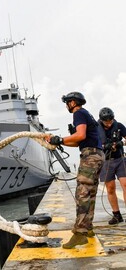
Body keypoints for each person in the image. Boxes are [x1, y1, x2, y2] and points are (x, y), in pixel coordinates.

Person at [46, 92, 104, 249]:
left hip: (90, 157)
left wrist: (60, 139)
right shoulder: (87, 114)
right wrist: (60, 142)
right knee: (90, 193)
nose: (66, 105)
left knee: (83, 193)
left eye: (67, 102)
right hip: (97, 154)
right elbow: (79, 141)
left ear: (73, 103)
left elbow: (80, 134)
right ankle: (88, 228)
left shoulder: (78, 113)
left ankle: (80, 234)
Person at [98, 107, 126, 224]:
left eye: (110, 121)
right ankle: (116, 215)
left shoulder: (119, 126)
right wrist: (105, 146)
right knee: (110, 188)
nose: (109, 124)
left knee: (125, 185)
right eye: (106, 122)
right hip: (106, 161)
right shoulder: (96, 129)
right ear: (102, 121)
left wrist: (120, 143)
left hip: (120, 159)